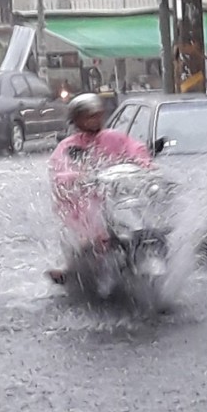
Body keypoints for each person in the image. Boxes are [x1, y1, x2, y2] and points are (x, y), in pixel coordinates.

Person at [47, 93, 152, 284]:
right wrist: (78, 177)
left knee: (145, 223)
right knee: (86, 239)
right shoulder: (68, 146)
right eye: (89, 116)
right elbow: (60, 170)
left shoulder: (113, 137)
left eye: (97, 115)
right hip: (84, 205)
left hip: (117, 197)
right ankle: (71, 266)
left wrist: (144, 163)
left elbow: (134, 148)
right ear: (77, 120)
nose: (95, 120)